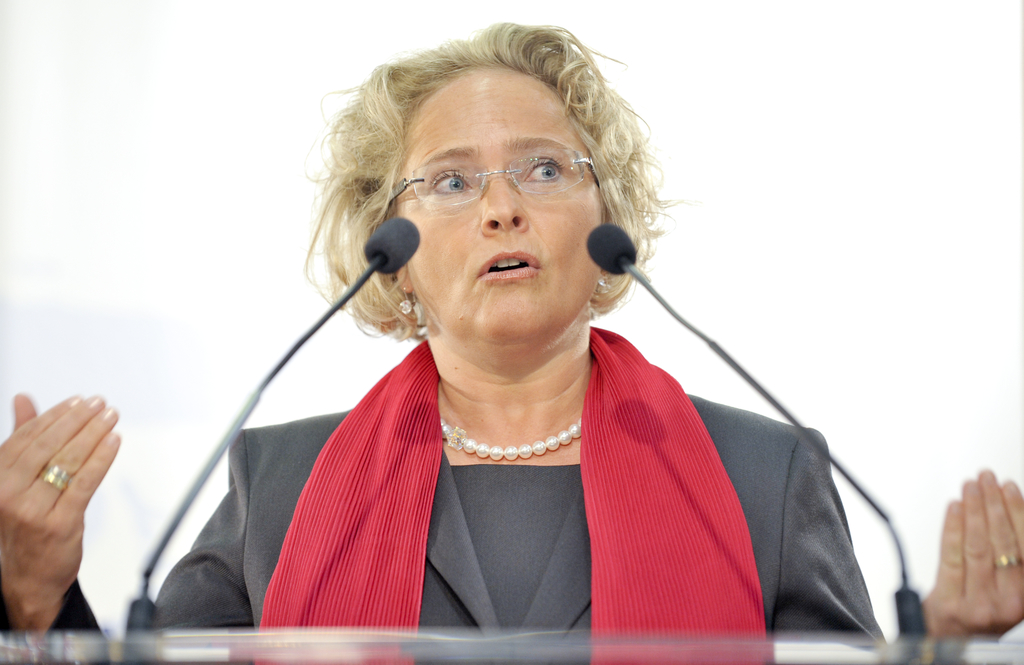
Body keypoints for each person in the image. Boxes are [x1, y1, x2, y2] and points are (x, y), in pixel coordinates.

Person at [0, 23, 1018, 638]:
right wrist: (38, 598)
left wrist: (943, 647)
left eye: (543, 167)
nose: (501, 208)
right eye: (451, 181)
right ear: (390, 249)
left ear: (607, 220)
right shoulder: (277, 482)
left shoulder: (767, 474)